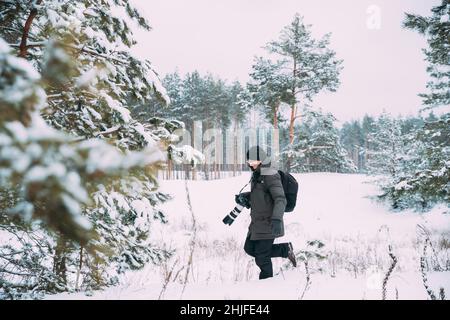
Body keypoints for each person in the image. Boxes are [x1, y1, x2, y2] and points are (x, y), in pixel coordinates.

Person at [243, 145, 297, 280]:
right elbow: (262, 196)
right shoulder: (257, 174)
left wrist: (277, 219)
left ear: (261, 160)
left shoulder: (270, 174)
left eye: (253, 161)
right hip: (257, 222)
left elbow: (280, 198)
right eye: (249, 161)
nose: (250, 164)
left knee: (262, 258)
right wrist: (246, 197)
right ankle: (285, 250)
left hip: (269, 221)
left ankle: (266, 285)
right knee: (249, 248)